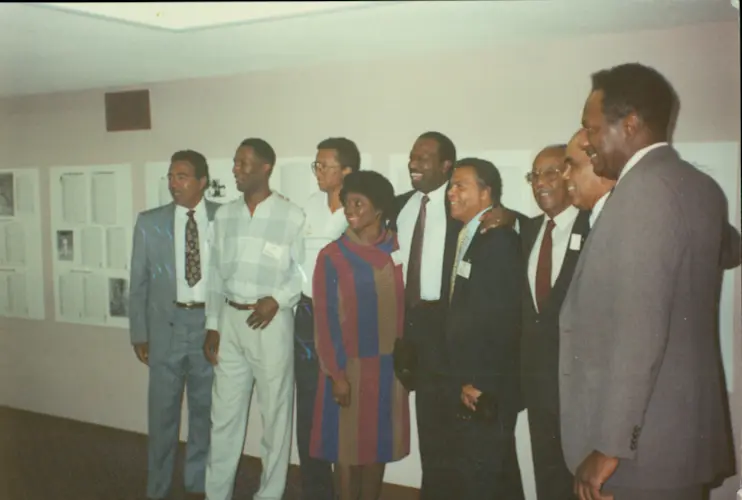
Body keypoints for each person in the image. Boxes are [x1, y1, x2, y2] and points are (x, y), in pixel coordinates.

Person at [560, 62, 735, 500]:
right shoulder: (700, 186)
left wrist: (609, 445)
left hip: (639, 451)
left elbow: (639, 332)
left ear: (630, 124)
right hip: (676, 437)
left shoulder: (641, 192)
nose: (586, 140)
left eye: (591, 128)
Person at [388, 131, 523, 500]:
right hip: (421, 343)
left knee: (477, 452)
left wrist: (511, 216)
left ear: (445, 166)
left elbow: (498, 315)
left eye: (459, 185)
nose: (413, 163)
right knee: (436, 440)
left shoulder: (493, 230)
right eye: (411, 155)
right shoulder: (399, 207)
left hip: (460, 351)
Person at [203, 138, 305, 500]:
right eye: (235, 162)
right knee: (223, 416)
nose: (236, 169)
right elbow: (214, 273)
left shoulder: (292, 216)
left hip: (271, 325)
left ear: (265, 168)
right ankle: (216, 494)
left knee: (275, 416)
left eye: (243, 163)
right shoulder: (224, 215)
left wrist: (277, 300)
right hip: (230, 320)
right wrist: (212, 324)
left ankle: (269, 495)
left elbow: (304, 271)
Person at [310, 170, 409, 500]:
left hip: (389, 369)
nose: (350, 210)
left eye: (359, 203)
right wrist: (336, 375)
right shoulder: (332, 256)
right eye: (347, 203)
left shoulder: (399, 247)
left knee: (378, 447)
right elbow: (324, 322)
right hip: (348, 368)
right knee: (347, 451)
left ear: (379, 209)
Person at [129, 150, 219, 500]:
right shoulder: (149, 223)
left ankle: (197, 483)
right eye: (170, 176)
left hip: (208, 326)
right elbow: (138, 282)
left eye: (182, 176)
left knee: (204, 412)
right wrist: (139, 333)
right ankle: (158, 488)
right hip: (166, 328)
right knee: (162, 415)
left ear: (202, 181)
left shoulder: (225, 218)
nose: (173, 183)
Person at [445, 158, 524, 498]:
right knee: (495, 471)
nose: (451, 192)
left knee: (486, 474)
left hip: (487, 383)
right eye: (451, 186)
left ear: (485, 192)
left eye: (460, 185)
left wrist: (478, 381)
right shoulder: (471, 234)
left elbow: (501, 320)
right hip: (475, 378)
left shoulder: (498, 239)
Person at [519, 144, 589, 500]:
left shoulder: (596, 225)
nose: (540, 183)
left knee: (584, 480)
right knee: (547, 475)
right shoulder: (526, 230)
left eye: (550, 172)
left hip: (583, 386)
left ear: (570, 174)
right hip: (539, 383)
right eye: (534, 175)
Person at [294, 137, 360, 500]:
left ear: (347, 171)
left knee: (346, 403)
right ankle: (315, 490)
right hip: (308, 314)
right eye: (315, 165)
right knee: (309, 404)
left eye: (325, 166)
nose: (318, 172)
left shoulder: (359, 209)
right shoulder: (309, 205)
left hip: (346, 317)